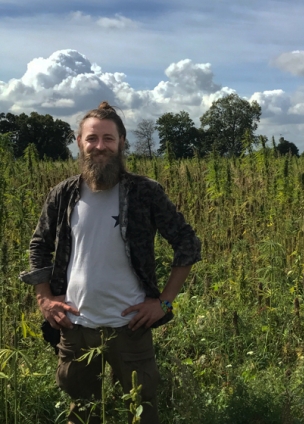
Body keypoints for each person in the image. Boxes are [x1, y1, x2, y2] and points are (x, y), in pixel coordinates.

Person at [20, 101, 201, 424]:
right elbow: (39, 245)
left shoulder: (145, 193)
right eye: (92, 139)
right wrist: (44, 298)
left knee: (141, 411)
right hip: (75, 328)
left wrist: (165, 303)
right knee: (82, 412)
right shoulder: (63, 195)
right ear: (79, 142)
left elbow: (187, 243)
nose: (99, 146)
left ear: (121, 143)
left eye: (108, 139)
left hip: (130, 327)